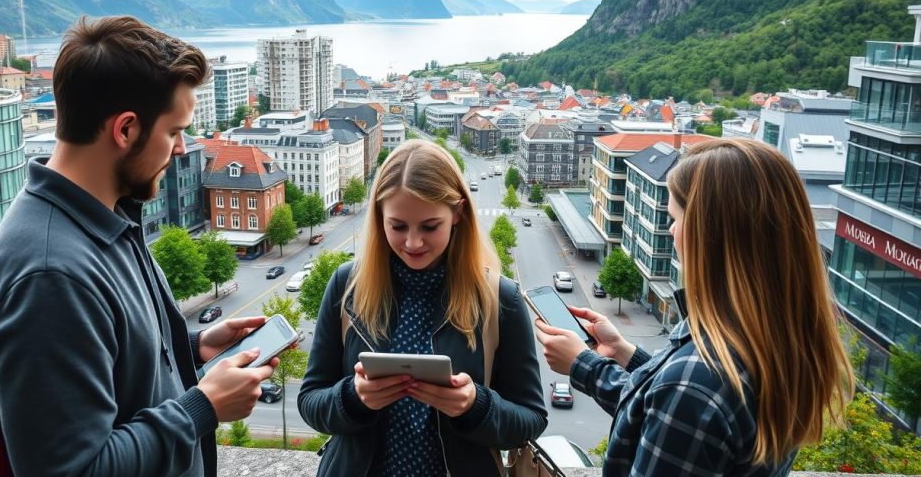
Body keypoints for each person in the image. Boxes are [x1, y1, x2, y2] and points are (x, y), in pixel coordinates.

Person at [0, 16, 278, 476]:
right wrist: (203, 406)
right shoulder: (50, 275)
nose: (181, 148)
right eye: (174, 131)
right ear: (126, 129)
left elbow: (111, 365)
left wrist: (192, 347)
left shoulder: (103, 215)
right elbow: (71, 470)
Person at [536, 138, 854, 476]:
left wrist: (584, 365)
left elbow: (685, 399)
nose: (671, 231)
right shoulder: (775, 341)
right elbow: (667, 413)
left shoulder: (693, 385)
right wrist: (625, 353)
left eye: (675, 217)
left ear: (710, 235)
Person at [298, 139, 547, 476]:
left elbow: (531, 420)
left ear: (458, 213)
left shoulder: (501, 298)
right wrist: (354, 398)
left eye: (430, 226)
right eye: (397, 226)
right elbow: (310, 401)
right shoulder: (347, 285)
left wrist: (476, 406)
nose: (413, 243)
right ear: (379, 217)